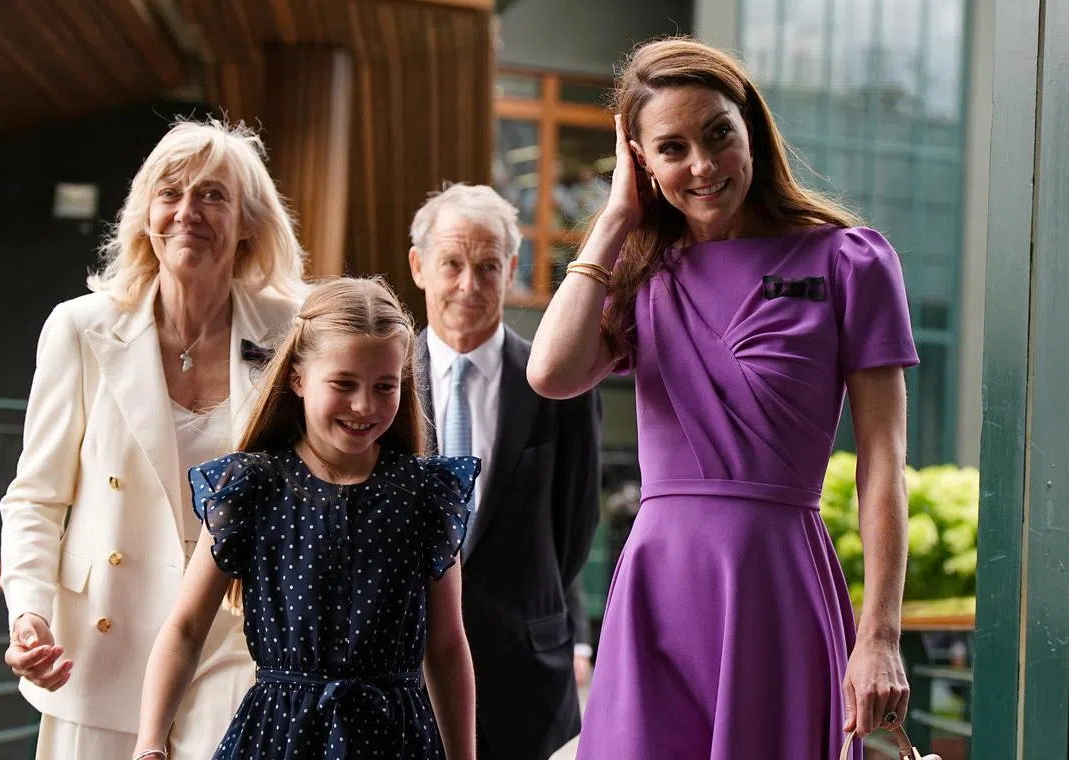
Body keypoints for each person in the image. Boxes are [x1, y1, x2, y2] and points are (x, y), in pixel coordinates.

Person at [525, 36, 918, 760]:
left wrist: (880, 636)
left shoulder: (849, 259)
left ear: (751, 132)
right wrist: (614, 221)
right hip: (657, 588)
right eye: (671, 148)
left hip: (778, 588)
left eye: (717, 135)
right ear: (641, 163)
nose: (702, 166)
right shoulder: (643, 272)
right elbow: (549, 373)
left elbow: (884, 463)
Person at [0, 118, 307, 760]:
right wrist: (28, 612)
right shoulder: (80, 329)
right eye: (170, 193)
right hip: (97, 649)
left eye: (213, 196)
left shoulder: (291, 333)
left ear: (249, 222)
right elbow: (36, 497)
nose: (187, 212)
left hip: (234, 653)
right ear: (145, 215)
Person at [132, 277, 477, 760]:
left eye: (385, 387)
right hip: (277, 737)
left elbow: (446, 646)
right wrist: (150, 743)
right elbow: (186, 627)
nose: (365, 406)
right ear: (298, 377)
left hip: (397, 741)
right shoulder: (250, 487)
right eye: (343, 384)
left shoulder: (426, 494)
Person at [407, 183, 602, 760]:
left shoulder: (558, 381)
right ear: (419, 267)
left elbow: (575, 528)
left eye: (488, 266)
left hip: (526, 680)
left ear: (512, 269)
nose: (469, 285)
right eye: (452, 264)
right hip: (405, 676)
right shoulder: (385, 384)